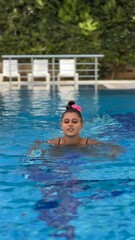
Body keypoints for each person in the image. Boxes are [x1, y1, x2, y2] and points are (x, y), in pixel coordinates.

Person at [28, 100, 122, 158]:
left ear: (81, 125)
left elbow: (116, 147)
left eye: (74, 122)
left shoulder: (89, 143)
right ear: (61, 125)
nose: (70, 125)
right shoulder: (53, 143)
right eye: (66, 122)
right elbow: (37, 143)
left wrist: (112, 154)